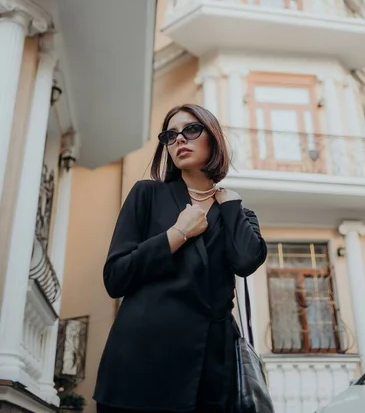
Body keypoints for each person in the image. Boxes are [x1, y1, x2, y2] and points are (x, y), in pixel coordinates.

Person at [93, 104, 267, 413]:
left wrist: (229, 204)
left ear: (213, 138)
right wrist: (177, 233)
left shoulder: (238, 213)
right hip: (141, 364)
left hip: (210, 372)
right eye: (170, 135)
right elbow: (115, 277)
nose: (179, 140)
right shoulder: (147, 195)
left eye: (190, 130)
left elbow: (245, 261)